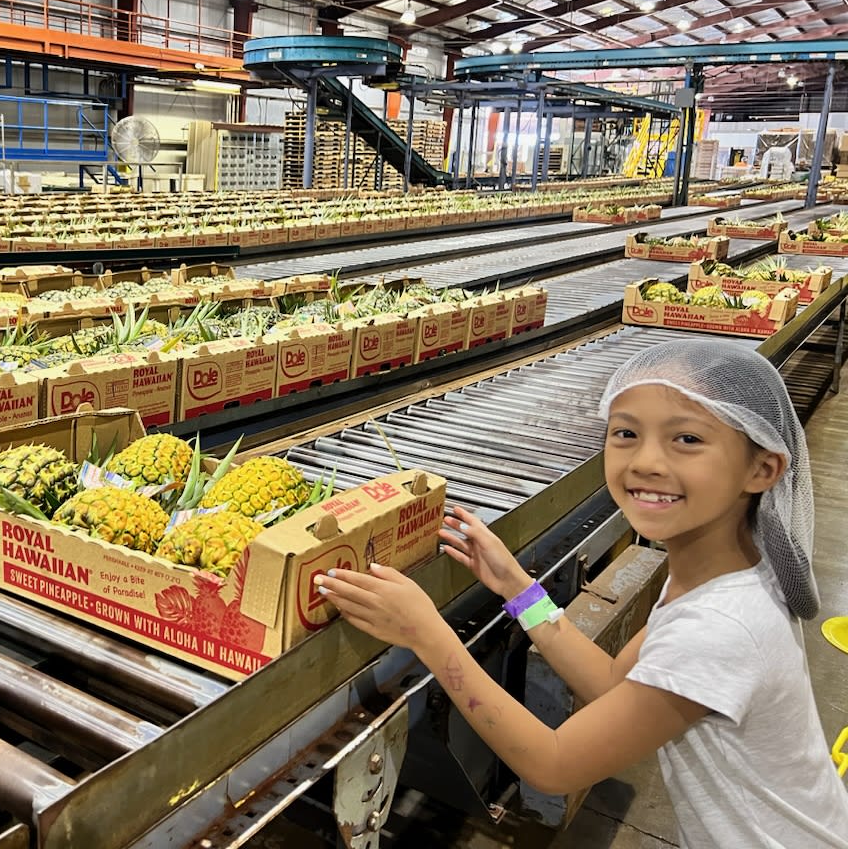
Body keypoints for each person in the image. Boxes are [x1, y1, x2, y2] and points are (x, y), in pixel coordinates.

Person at [315, 338, 848, 848]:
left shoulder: (720, 628)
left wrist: (427, 634)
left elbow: (553, 764)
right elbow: (615, 684)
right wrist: (517, 588)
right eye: (625, 433)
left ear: (762, 468)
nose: (645, 462)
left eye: (686, 438)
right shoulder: (720, 571)